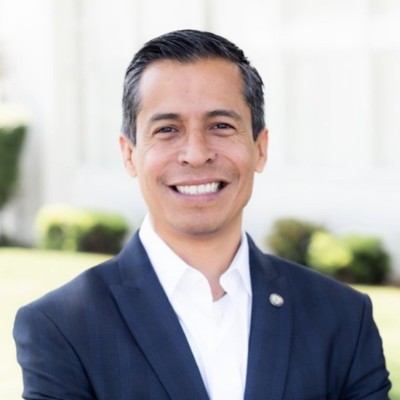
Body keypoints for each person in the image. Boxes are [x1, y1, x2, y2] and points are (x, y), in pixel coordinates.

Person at [14, 29, 391, 400]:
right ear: (129, 154)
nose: (196, 154)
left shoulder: (343, 317)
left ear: (260, 148)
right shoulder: (60, 327)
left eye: (221, 126)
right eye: (167, 129)